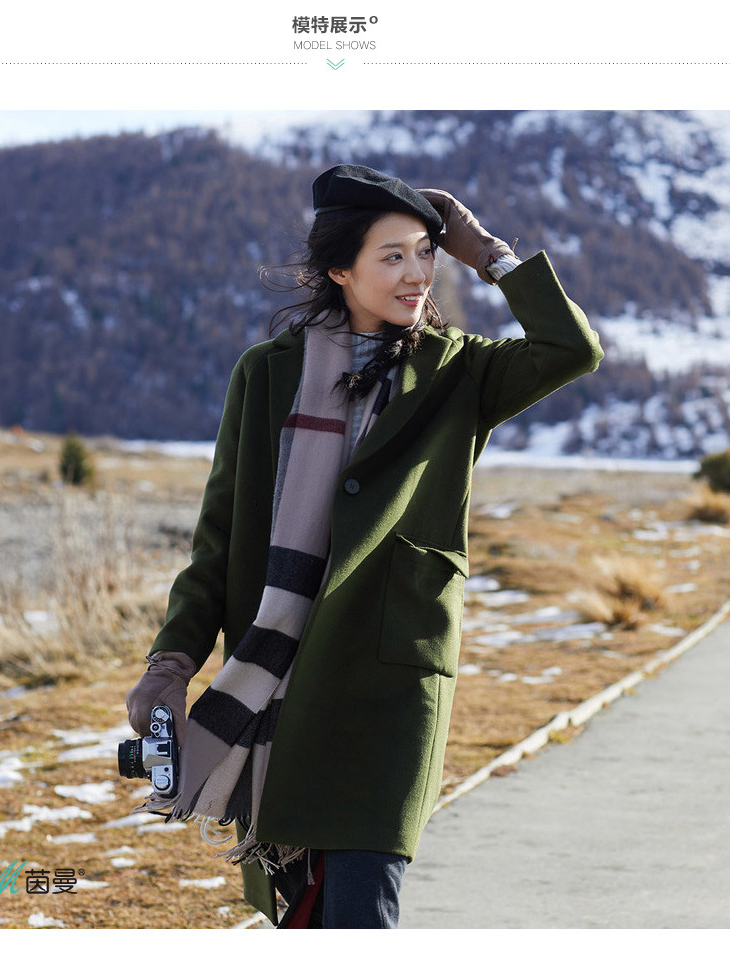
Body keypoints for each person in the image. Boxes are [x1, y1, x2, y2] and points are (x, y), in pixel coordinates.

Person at [125, 164, 604, 928]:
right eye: (393, 256)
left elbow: (571, 348)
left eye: (426, 253)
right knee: (306, 913)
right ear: (340, 269)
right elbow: (218, 541)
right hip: (278, 683)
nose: (418, 273)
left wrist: (489, 253)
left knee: (363, 908)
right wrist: (172, 662)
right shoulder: (266, 374)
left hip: (391, 688)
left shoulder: (461, 371)